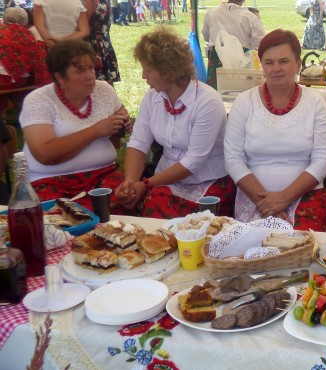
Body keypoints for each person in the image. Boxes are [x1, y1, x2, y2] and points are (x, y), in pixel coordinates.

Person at [115, 27, 235, 218]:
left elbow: (193, 162)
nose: (144, 76)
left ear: (168, 71)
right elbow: (138, 143)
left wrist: (146, 184)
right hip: (164, 180)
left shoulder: (207, 101)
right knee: (124, 203)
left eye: (148, 70)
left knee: (165, 212)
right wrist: (131, 181)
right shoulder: (152, 98)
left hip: (207, 182)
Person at [225, 29, 326, 231]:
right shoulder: (244, 102)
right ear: (262, 66)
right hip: (255, 198)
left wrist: (283, 198)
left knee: (300, 248)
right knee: (253, 250)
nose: (276, 68)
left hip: (305, 196)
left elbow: (323, 161)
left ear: (298, 64)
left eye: (283, 61)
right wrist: (268, 204)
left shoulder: (316, 102)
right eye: (269, 62)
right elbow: (233, 159)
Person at [18, 39, 132, 212]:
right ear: (59, 77)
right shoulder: (39, 100)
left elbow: (118, 132)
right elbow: (44, 155)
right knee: (63, 219)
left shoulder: (104, 90)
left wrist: (121, 124)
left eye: (91, 68)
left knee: (130, 199)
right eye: (79, 71)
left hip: (103, 175)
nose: (89, 76)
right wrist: (95, 131)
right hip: (51, 181)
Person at [201, 0, 264, 89]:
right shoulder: (250, 17)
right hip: (241, 63)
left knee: (215, 92)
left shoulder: (211, 14)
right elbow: (259, 44)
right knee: (240, 91)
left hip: (216, 62)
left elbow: (206, 36)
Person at [85, 0, 121, 85]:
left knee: (98, 85)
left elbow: (84, 24)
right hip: (104, 44)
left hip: (94, 45)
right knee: (106, 84)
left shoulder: (90, 2)